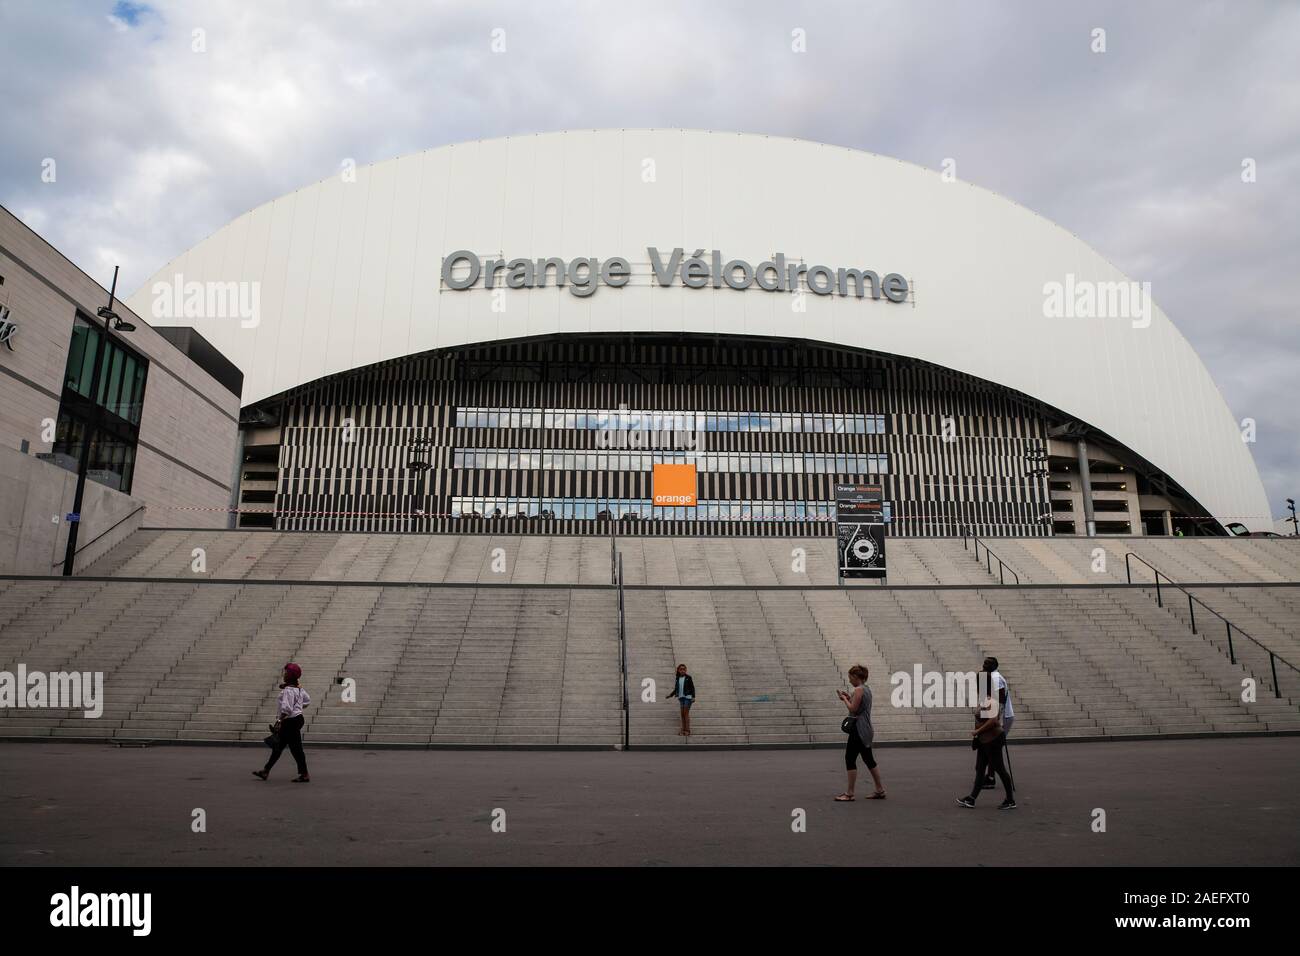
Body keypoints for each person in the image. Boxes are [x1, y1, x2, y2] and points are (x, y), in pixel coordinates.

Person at [253, 663, 311, 782]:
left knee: (295, 749)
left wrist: (279, 720)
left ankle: (304, 774)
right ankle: (266, 771)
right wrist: (299, 707)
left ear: (290, 675)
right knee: (278, 746)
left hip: (290, 721)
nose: (284, 675)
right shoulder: (299, 689)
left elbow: (287, 709)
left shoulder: (289, 690)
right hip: (297, 719)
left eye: (286, 673)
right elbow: (307, 701)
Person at [835, 664, 886, 801]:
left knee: (850, 758)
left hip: (859, 728)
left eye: (851, 677)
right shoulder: (867, 689)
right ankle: (880, 789)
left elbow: (853, 708)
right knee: (868, 759)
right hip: (867, 727)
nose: (849, 680)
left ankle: (849, 793)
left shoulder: (858, 690)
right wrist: (849, 697)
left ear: (857, 677)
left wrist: (844, 699)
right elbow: (860, 706)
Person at [957, 690, 1015, 809]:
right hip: (984, 740)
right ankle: (972, 798)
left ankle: (1010, 800)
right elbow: (984, 718)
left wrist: (978, 731)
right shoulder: (984, 699)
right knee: (980, 768)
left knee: (1000, 769)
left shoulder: (992, 700)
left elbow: (993, 720)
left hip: (993, 739)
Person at [980, 656, 1014, 789]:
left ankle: (991, 777)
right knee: (991, 747)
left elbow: (1000, 700)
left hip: (1003, 715)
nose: (984, 665)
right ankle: (990, 776)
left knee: (993, 747)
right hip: (991, 715)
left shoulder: (995, 678)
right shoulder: (985, 677)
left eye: (988, 663)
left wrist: (995, 720)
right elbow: (983, 700)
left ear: (994, 666)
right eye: (984, 662)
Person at [665, 663, 695, 736]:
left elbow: (692, 687)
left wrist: (693, 697)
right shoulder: (677, 678)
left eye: (684, 669)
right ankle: (683, 730)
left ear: (686, 670)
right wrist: (670, 695)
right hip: (681, 698)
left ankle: (687, 730)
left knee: (685, 714)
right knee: (682, 714)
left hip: (687, 697)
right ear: (678, 670)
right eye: (681, 669)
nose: (682, 671)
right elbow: (676, 689)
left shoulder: (688, 677)